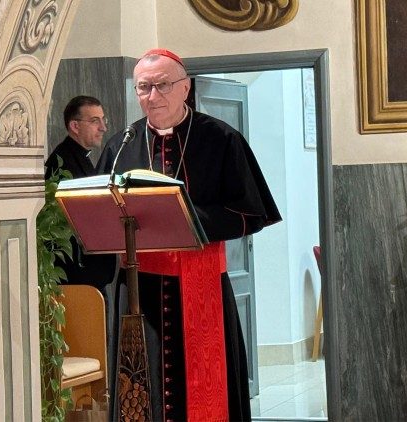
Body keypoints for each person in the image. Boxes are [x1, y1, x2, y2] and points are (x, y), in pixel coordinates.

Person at [97, 49, 281, 421]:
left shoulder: (221, 139)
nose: (153, 96)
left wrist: (185, 218)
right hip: (137, 286)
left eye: (162, 85)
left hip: (201, 282)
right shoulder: (121, 144)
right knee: (140, 385)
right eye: (144, 87)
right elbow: (101, 209)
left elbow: (251, 213)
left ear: (185, 88)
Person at [45, 95, 117, 289]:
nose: (103, 127)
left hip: (91, 276)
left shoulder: (79, 157)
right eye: (95, 121)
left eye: (104, 120)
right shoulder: (62, 163)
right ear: (75, 126)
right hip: (78, 278)